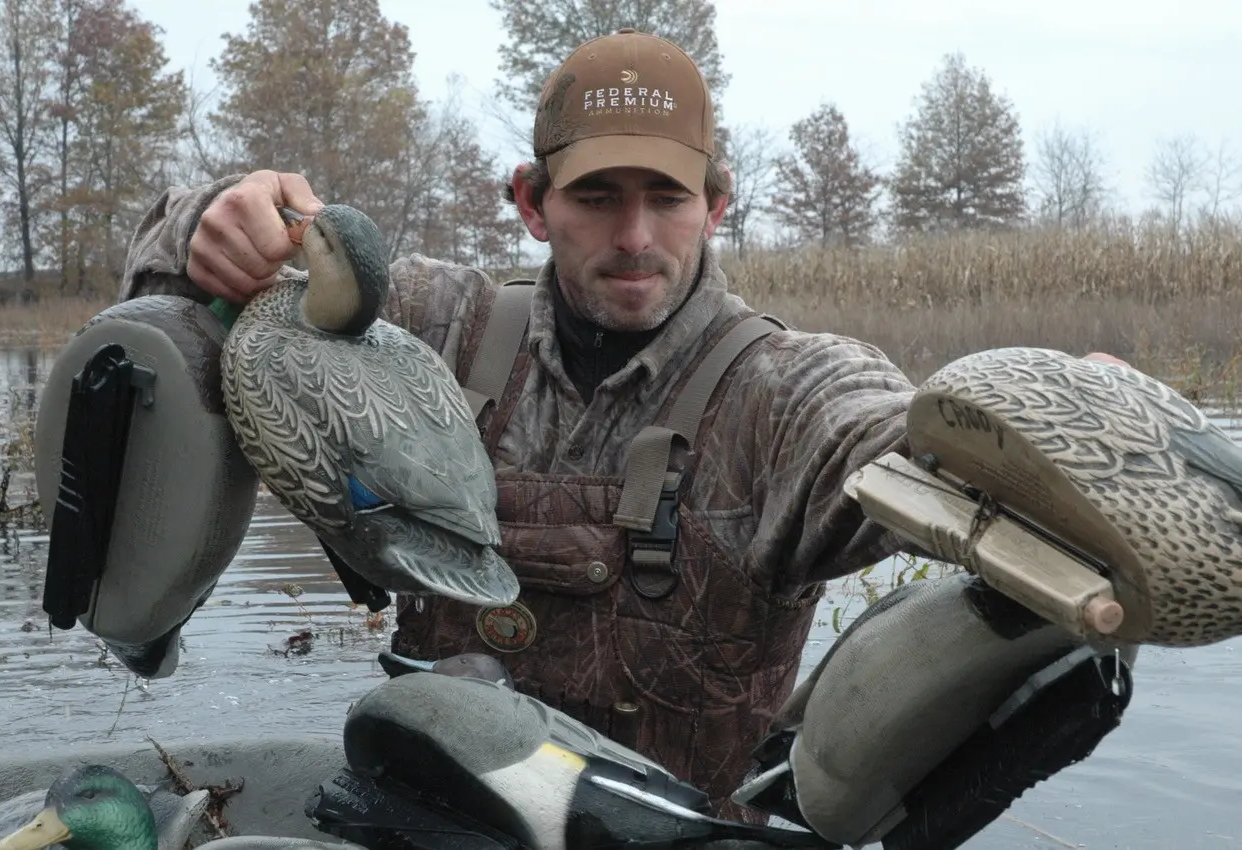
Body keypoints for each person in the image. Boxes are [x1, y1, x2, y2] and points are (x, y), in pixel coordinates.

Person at [117, 28, 1124, 823]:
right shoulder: (433, 329)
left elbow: (893, 441)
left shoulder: (783, 391)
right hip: (419, 819)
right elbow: (179, 298)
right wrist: (220, 218)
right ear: (530, 201)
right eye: (595, 196)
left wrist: (1020, 429)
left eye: (666, 197)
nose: (634, 237)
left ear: (717, 204)